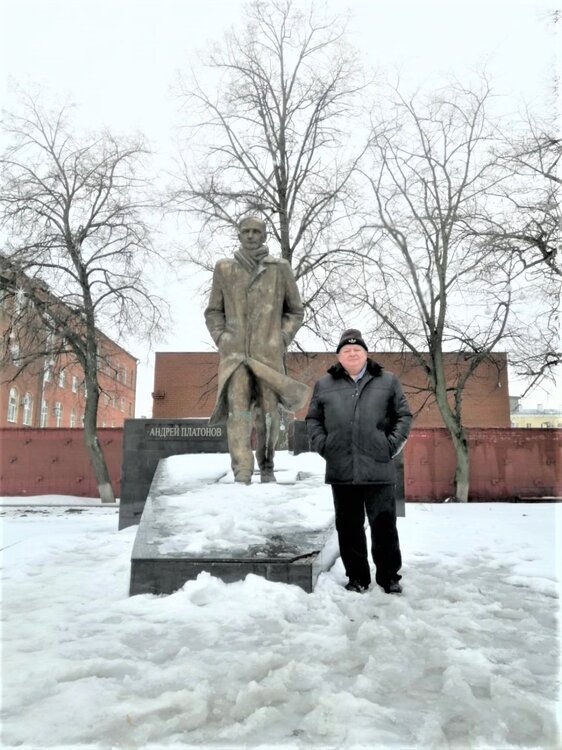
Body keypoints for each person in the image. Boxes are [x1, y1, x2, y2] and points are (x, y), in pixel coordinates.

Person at [306, 328, 412, 594]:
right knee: (348, 527)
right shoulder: (324, 384)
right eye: (346, 350)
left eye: (357, 349)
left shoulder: (387, 380)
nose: (352, 353)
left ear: (365, 353)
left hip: (378, 466)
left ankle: (389, 577)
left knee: (384, 526)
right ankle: (357, 577)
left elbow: (403, 416)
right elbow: (313, 419)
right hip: (341, 468)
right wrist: (325, 446)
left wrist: (389, 446)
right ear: (339, 356)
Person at [205, 216, 309, 484]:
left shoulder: (279, 268)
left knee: (269, 415)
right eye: (245, 231)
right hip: (235, 356)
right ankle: (242, 471)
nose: (250, 235)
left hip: (268, 356)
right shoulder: (225, 268)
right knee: (237, 414)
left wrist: (281, 338)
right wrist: (222, 338)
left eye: (255, 231)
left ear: (264, 236)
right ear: (239, 235)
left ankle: (267, 466)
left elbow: (295, 311)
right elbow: (214, 311)